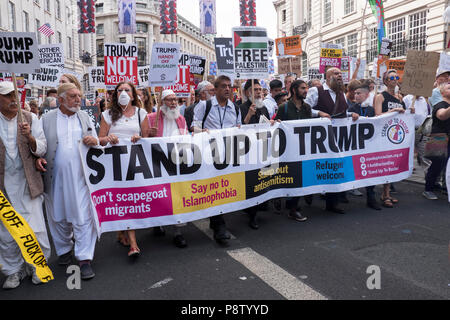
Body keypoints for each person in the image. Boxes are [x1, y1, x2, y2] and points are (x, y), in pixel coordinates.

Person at [37, 83, 99, 280]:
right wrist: (36, 156)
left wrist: (93, 141)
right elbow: (39, 146)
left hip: (81, 177)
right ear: (61, 99)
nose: (78, 99)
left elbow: (95, 141)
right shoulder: (46, 119)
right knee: (57, 216)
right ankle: (64, 250)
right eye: (73, 96)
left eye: (79, 96)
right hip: (55, 177)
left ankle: (84, 258)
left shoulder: (85, 117)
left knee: (83, 215)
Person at [0, 82, 51, 289]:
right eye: (7, 95)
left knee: (35, 228)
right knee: (7, 232)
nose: (13, 99)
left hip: (27, 183)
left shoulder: (30, 118)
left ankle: (37, 265)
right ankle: (13, 271)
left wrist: (29, 135)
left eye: (15, 94)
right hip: (4, 186)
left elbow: (41, 148)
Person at [98, 82, 147, 257]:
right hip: (115, 164)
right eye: (120, 90)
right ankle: (133, 244)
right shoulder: (107, 115)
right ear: (115, 95)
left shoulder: (141, 114)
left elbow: (147, 139)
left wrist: (139, 137)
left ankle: (123, 231)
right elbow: (100, 140)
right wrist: (107, 138)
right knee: (123, 199)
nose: (124, 93)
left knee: (133, 199)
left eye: (127, 90)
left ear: (133, 95)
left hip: (135, 163)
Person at [191, 75, 241, 247]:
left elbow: (238, 126)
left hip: (228, 152)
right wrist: (202, 131)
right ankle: (219, 226)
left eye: (230, 86)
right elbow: (193, 126)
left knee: (225, 185)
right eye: (224, 86)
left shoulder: (234, 107)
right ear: (216, 89)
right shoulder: (204, 106)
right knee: (215, 187)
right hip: (208, 153)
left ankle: (216, 219)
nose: (227, 89)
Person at [305, 67, 359, 214]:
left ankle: (332, 203)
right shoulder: (316, 91)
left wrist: (351, 114)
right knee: (317, 166)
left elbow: (340, 112)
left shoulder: (341, 93)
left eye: (341, 74)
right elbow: (305, 109)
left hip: (336, 138)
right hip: (320, 138)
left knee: (334, 167)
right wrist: (319, 113)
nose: (340, 76)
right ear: (328, 77)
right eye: (336, 73)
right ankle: (308, 192)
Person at [275, 80, 330, 221]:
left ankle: (293, 206)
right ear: (294, 90)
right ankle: (291, 206)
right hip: (288, 151)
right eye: (303, 88)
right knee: (292, 177)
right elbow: (276, 128)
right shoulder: (284, 108)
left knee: (301, 176)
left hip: (303, 149)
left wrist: (322, 116)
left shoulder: (306, 107)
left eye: (306, 88)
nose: (306, 91)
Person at [141, 89, 189, 248]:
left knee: (177, 197)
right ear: (162, 103)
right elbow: (141, 140)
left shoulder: (181, 119)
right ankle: (158, 223)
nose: (174, 103)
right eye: (169, 100)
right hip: (157, 163)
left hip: (176, 164)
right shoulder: (151, 118)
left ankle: (178, 232)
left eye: (175, 99)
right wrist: (149, 134)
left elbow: (186, 139)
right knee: (159, 196)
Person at [239, 79, 271, 229]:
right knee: (251, 182)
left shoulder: (263, 108)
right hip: (248, 151)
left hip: (262, 149)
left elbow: (267, 124)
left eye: (260, 89)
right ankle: (252, 216)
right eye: (255, 90)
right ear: (247, 93)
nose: (259, 92)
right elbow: (238, 131)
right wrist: (248, 115)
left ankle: (259, 206)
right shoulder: (241, 108)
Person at [373, 69, 406, 208]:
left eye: (396, 77)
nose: (394, 79)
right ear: (385, 81)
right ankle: (384, 194)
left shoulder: (400, 98)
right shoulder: (381, 96)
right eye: (391, 77)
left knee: (393, 164)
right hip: (383, 134)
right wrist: (392, 111)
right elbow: (377, 116)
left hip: (396, 135)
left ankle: (387, 193)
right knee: (385, 164)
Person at [348, 84, 381, 210]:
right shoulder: (351, 108)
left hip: (369, 145)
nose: (356, 96)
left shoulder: (372, 109)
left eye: (359, 93)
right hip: (355, 144)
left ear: (366, 95)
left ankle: (371, 197)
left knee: (369, 170)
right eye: (355, 93)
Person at [423, 83, 450, 200]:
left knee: (446, 165)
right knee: (437, 164)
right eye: (449, 87)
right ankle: (428, 189)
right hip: (440, 138)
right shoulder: (440, 104)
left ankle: (441, 186)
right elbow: (442, 115)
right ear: (442, 92)